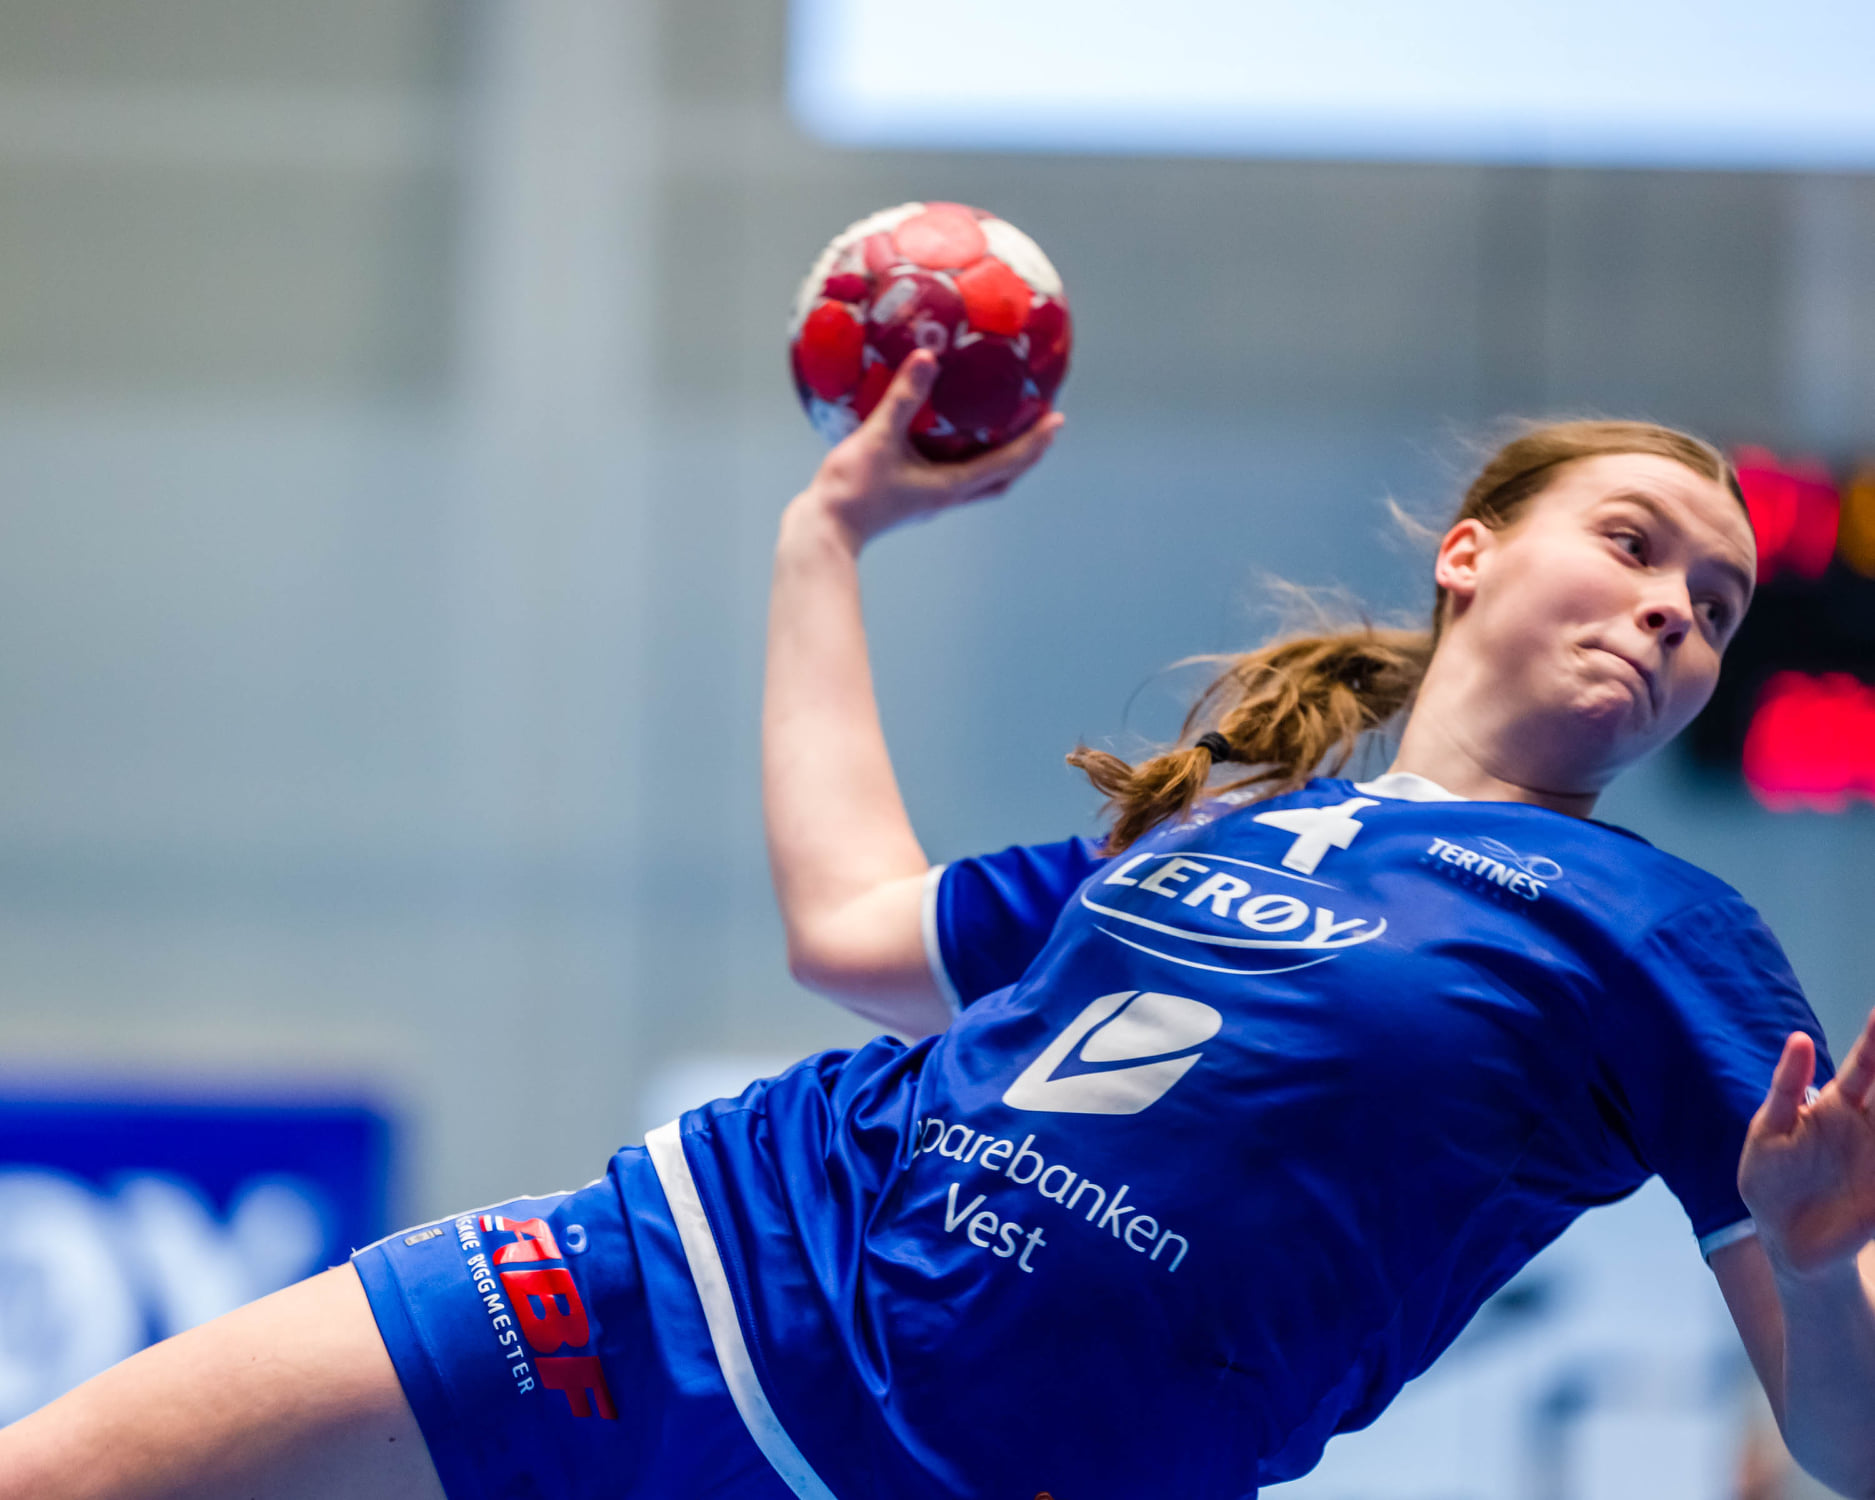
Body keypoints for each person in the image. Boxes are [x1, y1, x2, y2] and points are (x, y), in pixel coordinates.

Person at [5, 350, 1875, 1500]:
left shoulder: (1663, 934)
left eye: (1718, 609)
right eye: (1634, 544)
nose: (1675, 612)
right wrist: (822, 541)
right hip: (702, 1265)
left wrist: (1809, 1264)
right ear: (1472, 552)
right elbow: (852, 924)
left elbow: (1849, 1438)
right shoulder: (1229, 829)